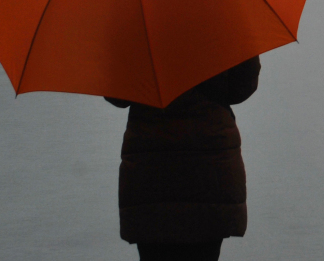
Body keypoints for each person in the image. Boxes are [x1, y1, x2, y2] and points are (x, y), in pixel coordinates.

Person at [105, 56, 261, 261]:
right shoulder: (222, 34)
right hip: (209, 166)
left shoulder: (132, 36)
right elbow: (241, 87)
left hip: (150, 168)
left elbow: (116, 94)